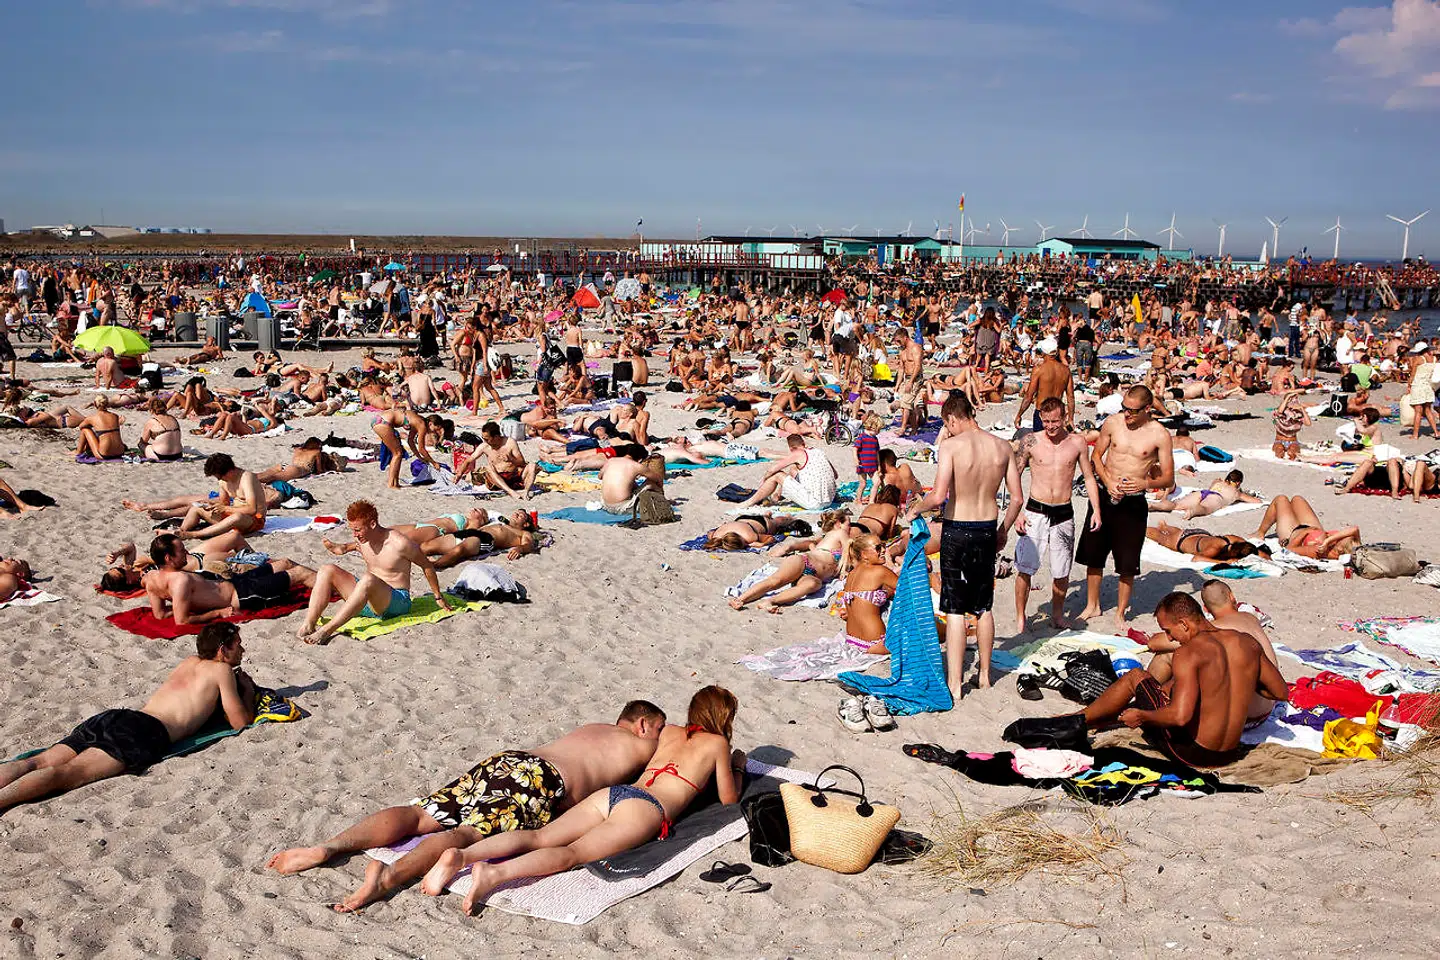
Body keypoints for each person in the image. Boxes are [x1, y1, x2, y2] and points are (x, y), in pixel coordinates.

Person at [265, 700, 668, 913]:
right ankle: (386, 879)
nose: (660, 736)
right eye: (659, 729)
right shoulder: (642, 744)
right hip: (540, 781)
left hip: (509, 761)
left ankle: (329, 847)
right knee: (466, 834)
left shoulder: (593, 728)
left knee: (420, 814)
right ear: (643, 724)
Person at [421, 686, 744, 916]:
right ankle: (494, 875)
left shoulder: (670, 731)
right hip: (645, 809)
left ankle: (462, 855)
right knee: (572, 854)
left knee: (540, 836)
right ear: (724, 717)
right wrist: (738, 766)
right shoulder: (717, 744)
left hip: (614, 793)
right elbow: (729, 799)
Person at [0, 623, 258, 815]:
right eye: (238, 644)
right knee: (67, 773)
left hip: (117, 716)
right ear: (223, 650)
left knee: (36, 761)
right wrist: (246, 692)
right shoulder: (222, 670)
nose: (243, 650)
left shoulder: (189, 661)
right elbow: (239, 722)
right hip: (143, 731)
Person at [902, 392, 1022, 698]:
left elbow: (938, 495)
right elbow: (1017, 499)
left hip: (958, 529)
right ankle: (984, 676)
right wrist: (1004, 530)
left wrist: (916, 510)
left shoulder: (952, 446)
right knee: (984, 606)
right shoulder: (1002, 446)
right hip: (987, 528)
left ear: (953, 418)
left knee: (955, 608)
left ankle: (955, 684)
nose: (948, 430)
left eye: (947, 424)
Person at [1079, 592, 1288, 767]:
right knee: (1172, 687)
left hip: (1193, 754)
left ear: (1184, 624)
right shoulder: (1246, 642)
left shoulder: (1189, 652)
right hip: (1229, 754)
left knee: (1136, 677)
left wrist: (1142, 716)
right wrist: (1243, 684)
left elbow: (1180, 717)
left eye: (1168, 631)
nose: (1170, 638)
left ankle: (1077, 721)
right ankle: (1095, 719)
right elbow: (1280, 692)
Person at [1074, 385, 1174, 627]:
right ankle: (1092, 605)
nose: (1127, 414)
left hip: (1133, 501)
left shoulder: (1159, 435)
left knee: (1127, 561)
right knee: (1094, 554)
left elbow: (1168, 478)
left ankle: (1120, 612)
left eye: (1132, 410)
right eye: (1124, 408)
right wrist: (1107, 481)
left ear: (1147, 409)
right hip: (1105, 494)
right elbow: (1096, 456)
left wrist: (1145, 483)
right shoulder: (1113, 423)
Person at [297, 500, 450, 644]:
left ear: (372, 524)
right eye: (352, 530)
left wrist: (438, 596)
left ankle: (327, 630)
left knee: (368, 579)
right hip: (367, 601)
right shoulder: (362, 540)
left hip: (396, 603)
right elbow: (355, 545)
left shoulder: (400, 543)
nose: (355, 535)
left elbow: (427, 566)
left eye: (357, 530)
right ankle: (309, 624)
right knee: (327, 569)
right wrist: (343, 548)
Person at [1014, 397, 1102, 633]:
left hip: (1063, 512)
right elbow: (1014, 476)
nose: (1050, 426)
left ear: (1064, 418)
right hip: (1035, 510)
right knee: (1025, 567)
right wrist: (1017, 512)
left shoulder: (1077, 442)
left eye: (1055, 421)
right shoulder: (1031, 440)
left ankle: (1057, 614)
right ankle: (1021, 616)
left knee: (1061, 570)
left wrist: (1096, 510)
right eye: (1046, 421)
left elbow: (1089, 477)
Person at [144, 533, 317, 625]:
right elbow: (181, 621)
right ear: (168, 558)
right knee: (300, 573)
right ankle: (329, 585)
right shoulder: (181, 581)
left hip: (236, 581)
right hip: (243, 595)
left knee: (285, 563)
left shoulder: (150, 579)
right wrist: (217, 612)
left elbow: (160, 614)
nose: (187, 553)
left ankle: (324, 580)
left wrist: (183, 605)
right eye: (182, 551)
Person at [1198, 580, 1281, 723]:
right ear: (1232, 596)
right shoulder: (1251, 618)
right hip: (1268, 708)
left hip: (1243, 718)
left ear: (1205, 609)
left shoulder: (1214, 628)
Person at [733, 435, 838, 511]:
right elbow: (835, 475)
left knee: (777, 475)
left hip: (815, 503)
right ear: (803, 443)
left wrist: (764, 481)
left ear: (792, 448)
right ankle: (777, 496)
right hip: (829, 499)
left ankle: (748, 503)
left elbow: (772, 470)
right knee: (794, 469)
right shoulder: (819, 452)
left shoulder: (798, 453)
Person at [177, 453, 267, 540]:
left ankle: (195, 534)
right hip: (232, 514)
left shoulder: (247, 478)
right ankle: (181, 531)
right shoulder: (223, 481)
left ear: (229, 471)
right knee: (195, 508)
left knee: (237, 517)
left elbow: (252, 510)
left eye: (219, 477)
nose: (219, 479)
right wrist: (211, 505)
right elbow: (224, 503)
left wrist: (225, 508)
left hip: (254, 519)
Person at [834, 533, 898, 655]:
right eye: (878, 548)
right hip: (876, 643)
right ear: (864, 554)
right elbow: (907, 588)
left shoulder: (852, 574)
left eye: (883, 545)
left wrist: (887, 593)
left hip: (853, 641)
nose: (884, 550)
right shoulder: (880, 571)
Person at [1252, 495, 1360, 560]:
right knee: (1297, 499)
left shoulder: (1320, 550)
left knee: (1280, 499)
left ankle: (1260, 533)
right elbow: (1355, 529)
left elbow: (1289, 549)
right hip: (1312, 527)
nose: (1338, 537)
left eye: (1339, 540)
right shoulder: (1353, 546)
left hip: (1292, 533)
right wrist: (1329, 540)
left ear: (1339, 549)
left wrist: (1305, 532)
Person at [422, 509, 542, 565]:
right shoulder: (500, 522)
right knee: (426, 546)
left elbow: (529, 544)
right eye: (516, 512)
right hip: (471, 532)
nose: (516, 514)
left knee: (459, 549)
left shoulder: (523, 533)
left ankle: (434, 565)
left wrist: (520, 549)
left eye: (520, 515)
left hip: (486, 539)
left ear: (526, 524)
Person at [456, 421, 538, 500]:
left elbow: (522, 463)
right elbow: (469, 460)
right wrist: (459, 474)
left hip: (514, 476)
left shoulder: (509, 443)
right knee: (488, 468)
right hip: (497, 480)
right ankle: (510, 491)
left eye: (487, 439)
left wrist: (511, 459)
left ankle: (526, 492)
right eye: (484, 439)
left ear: (496, 437)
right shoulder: (484, 446)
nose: (485, 441)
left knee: (532, 466)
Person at [1150, 470, 1261, 521]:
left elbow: (1211, 488)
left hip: (1203, 492)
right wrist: (1240, 496)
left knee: (1176, 505)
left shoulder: (1217, 481)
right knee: (1204, 508)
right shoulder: (1236, 492)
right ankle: (1192, 512)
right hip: (1217, 498)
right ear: (1238, 482)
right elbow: (1257, 501)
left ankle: (1154, 505)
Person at [1013, 339, 1074, 432]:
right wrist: (1071, 419)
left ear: (1043, 353)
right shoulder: (1066, 370)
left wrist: (1019, 415)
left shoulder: (1039, 369)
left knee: (1040, 440)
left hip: (1042, 412)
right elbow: (1071, 397)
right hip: (1057, 413)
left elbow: (1029, 396)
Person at [598, 445, 666, 513]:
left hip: (605, 504)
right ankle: (662, 501)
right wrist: (660, 489)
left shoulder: (611, 461)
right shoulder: (636, 466)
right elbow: (658, 479)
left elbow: (599, 476)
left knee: (630, 482)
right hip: (622, 507)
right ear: (640, 459)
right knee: (651, 483)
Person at [75, 395, 126, 461]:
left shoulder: (92, 418)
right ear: (107, 403)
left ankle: (78, 452)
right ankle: (84, 449)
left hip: (104, 454)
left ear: (95, 404)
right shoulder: (115, 416)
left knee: (85, 430)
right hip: (120, 453)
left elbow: (81, 426)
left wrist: (93, 425)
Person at [138, 396, 183, 461]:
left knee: (141, 444)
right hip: (178, 455)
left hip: (161, 455)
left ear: (151, 410)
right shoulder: (173, 419)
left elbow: (144, 441)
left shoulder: (152, 421)